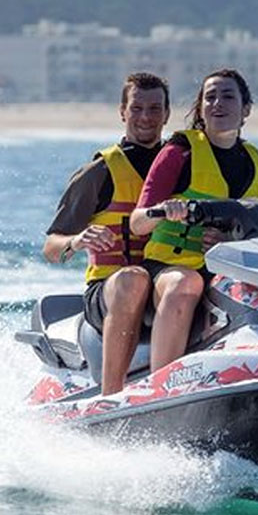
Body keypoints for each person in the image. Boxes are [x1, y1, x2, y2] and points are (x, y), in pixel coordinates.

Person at [130, 68, 258, 374]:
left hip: (230, 270)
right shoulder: (178, 154)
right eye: (209, 97)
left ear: (246, 109)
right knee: (187, 283)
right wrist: (162, 211)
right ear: (200, 109)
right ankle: (162, 389)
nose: (217, 103)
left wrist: (232, 242)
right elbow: (137, 223)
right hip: (170, 269)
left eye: (227, 96)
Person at [42, 72, 170, 395]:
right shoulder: (100, 172)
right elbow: (51, 248)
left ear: (167, 114)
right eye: (137, 107)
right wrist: (77, 239)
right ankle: (111, 397)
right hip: (110, 291)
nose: (145, 117)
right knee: (134, 279)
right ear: (122, 111)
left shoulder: (182, 165)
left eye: (155, 108)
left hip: (164, 286)